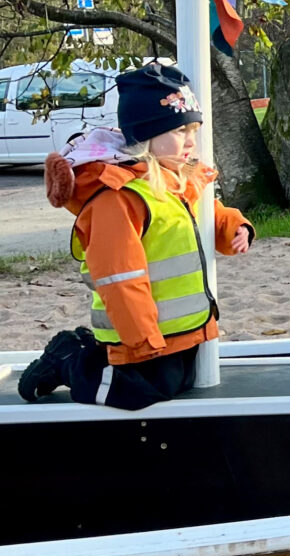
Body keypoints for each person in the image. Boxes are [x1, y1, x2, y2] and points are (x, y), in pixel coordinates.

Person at [20, 64, 253, 411]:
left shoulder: (178, 178)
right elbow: (119, 276)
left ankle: (91, 352)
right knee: (137, 393)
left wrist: (235, 226)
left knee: (178, 382)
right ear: (146, 136)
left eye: (193, 129)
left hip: (182, 328)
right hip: (139, 334)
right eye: (179, 130)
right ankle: (69, 358)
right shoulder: (118, 198)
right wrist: (141, 340)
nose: (190, 141)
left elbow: (204, 214)